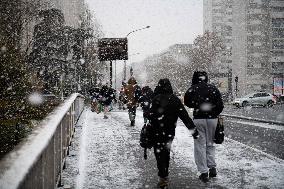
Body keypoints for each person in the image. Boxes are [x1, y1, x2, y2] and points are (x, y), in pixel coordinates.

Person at [149, 78, 196, 188]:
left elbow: (150, 114)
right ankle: (164, 174)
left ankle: (162, 175)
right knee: (166, 151)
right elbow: (184, 116)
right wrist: (193, 130)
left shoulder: (156, 99)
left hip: (156, 130)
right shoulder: (174, 99)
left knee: (158, 153)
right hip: (169, 131)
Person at [184, 71, 224, 183]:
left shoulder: (193, 89)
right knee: (210, 143)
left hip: (199, 119)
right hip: (212, 119)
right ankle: (212, 168)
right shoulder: (213, 88)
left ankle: (203, 172)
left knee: (199, 145)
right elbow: (220, 105)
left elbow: (187, 102)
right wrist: (213, 112)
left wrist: (197, 105)